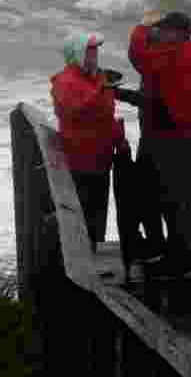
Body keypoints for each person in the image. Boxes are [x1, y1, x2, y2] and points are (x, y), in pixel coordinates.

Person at [124, 10, 191, 281]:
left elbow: (138, 56)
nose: (158, 33)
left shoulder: (175, 54)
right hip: (186, 134)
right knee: (183, 199)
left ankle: (183, 262)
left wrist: (141, 29)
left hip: (175, 137)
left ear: (177, 32)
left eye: (163, 29)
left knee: (176, 200)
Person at [49, 33, 128, 254]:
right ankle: (80, 270)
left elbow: (107, 116)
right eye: (89, 51)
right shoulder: (66, 81)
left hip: (101, 159)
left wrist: (119, 140)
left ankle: (92, 263)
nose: (94, 56)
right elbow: (72, 109)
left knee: (97, 219)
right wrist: (100, 91)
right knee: (80, 220)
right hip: (79, 161)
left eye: (95, 51)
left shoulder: (97, 78)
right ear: (76, 54)